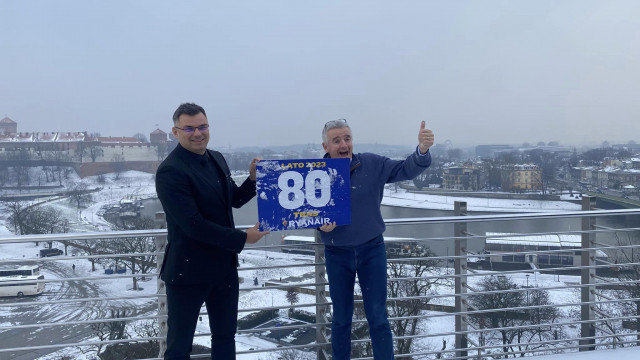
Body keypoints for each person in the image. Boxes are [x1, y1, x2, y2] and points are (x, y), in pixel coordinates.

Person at [155, 102, 269, 360]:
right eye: (190, 128)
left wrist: (252, 181)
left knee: (225, 338)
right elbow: (193, 225)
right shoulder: (170, 171)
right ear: (176, 132)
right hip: (188, 273)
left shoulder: (216, 157)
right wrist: (243, 238)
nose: (198, 133)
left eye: (203, 126)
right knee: (179, 346)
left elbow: (234, 200)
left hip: (223, 270)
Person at [318, 118, 434, 359]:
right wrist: (320, 226)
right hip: (337, 253)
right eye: (336, 140)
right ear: (325, 146)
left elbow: (406, 169)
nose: (343, 144)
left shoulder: (372, 164)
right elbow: (302, 213)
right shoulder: (314, 174)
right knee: (340, 320)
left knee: (378, 317)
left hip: (372, 251)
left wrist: (422, 151)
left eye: (347, 138)